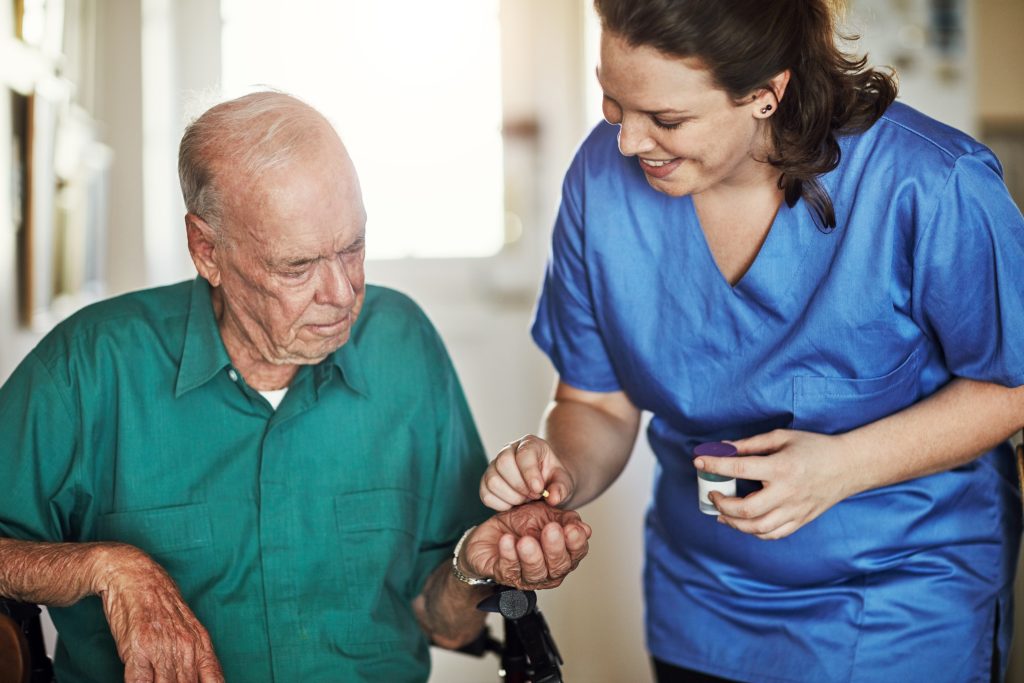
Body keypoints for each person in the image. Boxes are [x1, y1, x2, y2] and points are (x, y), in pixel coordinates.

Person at [479, 1, 1024, 681]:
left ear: (767, 92)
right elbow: (597, 405)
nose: (626, 142)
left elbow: (1014, 383)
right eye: (613, 102)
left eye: (667, 119)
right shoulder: (600, 181)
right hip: (703, 607)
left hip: (899, 602)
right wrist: (556, 473)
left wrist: (840, 467)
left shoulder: (931, 183)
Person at [0, 91, 592, 683]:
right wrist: (106, 567)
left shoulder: (403, 346)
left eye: (353, 247)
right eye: (297, 266)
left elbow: (449, 625)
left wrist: (474, 566)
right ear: (207, 250)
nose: (341, 294)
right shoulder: (89, 365)